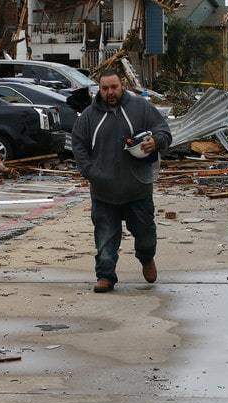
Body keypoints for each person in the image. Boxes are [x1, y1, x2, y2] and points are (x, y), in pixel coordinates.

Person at [72, 69, 172, 293]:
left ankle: (147, 258)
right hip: (104, 192)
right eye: (105, 88)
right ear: (99, 89)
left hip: (138, 189)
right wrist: (91, 172)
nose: (110, 92)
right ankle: (105, 275)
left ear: (122, 85)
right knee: (105, 238)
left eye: (114, 87)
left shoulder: (141, 108)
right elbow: (78, 145)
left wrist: (155, 141)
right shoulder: (89, 116)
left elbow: (164, 130)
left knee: (146, 236)